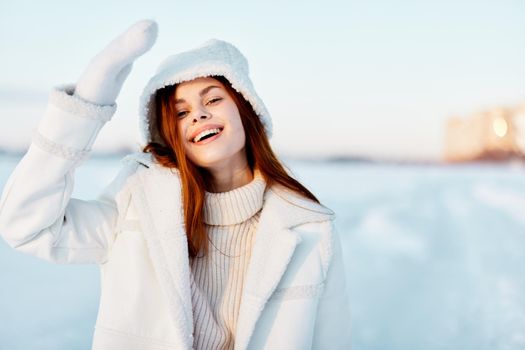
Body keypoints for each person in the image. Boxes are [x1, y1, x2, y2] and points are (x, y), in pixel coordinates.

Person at [0, 19, 351, 350]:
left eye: (213, 99)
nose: (198, 115)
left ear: (246, 109)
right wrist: (84, 107)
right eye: (181, 113)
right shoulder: (138, 203)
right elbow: (26, 226)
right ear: (171, 135)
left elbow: (330, 340)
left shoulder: (309, 229)